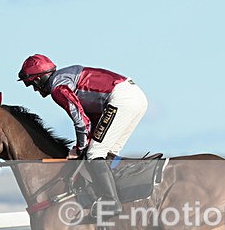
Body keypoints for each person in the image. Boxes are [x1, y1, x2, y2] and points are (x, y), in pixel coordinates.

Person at [17, 54, 148, 217]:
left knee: (94, 154)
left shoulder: (58, 88)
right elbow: (93, 119)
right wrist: (83, 145)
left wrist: (79, 149)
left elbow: (81, 121)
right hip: (135, 97)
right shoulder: (65, 76)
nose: (35, 90)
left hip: (121, 99)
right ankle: (115, 193)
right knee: (106, 152)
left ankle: (111, 201)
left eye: (32, 84)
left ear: (38, 79)